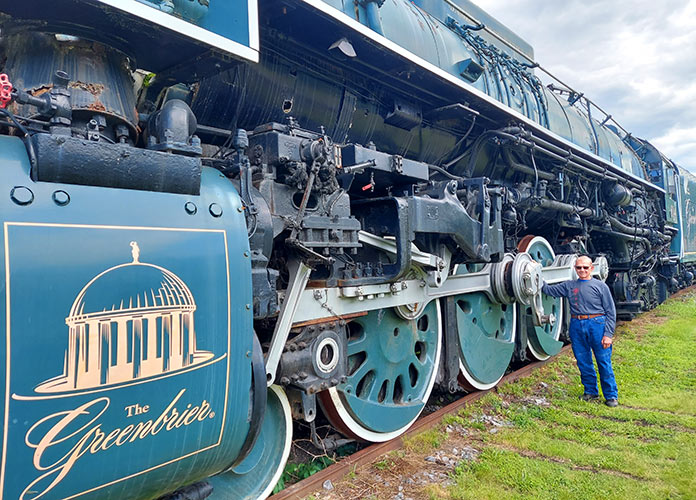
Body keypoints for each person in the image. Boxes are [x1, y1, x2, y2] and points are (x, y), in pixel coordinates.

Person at [542, 255, 619, 407]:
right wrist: (535, 272)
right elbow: (548, 290)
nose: (582, 270)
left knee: (603, 362)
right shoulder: (569, 286)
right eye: (579, 267)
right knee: (583, 361)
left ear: (591, 268)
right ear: (575, 269)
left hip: (597, 324)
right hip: (577, 324)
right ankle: (590, 391)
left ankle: (611, 396)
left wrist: (608, 335)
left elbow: (610, 312)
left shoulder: (601, 286)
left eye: (585, 267)